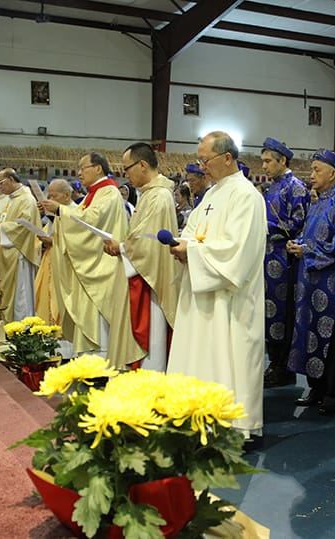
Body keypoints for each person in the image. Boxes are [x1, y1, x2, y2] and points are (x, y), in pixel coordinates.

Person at [168, 131, 267, 442]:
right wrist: (182, 245)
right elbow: (194, 231)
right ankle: (199, 418)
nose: (202, 167)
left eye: (205, 160)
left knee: (232, 356)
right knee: (201, 355)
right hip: (203, 291)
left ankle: (236, 427)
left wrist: (193, 251)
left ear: (227, 158)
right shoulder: (210, 195)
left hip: (231, 298)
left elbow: (238, 251)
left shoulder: (246, 196)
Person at [39, 153, 144, 367]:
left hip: (101, 267)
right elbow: (79, 216)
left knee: (98, 322)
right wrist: (58, 214)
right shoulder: (92, 194)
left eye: (83, 167)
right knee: (89, 317)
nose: (79, 172)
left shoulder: (109, 192)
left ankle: (101, 365)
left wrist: (60, 209)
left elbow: (91, 221)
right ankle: (89, 363)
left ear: (98, 168)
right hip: (90, 266)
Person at [287, 149, 335, 415]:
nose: (312, 174)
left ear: (333, 174)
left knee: (332, 338)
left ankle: (332, 393)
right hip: (310, 282)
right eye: (312, 169)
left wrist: (309, 251)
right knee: (310, 334)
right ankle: (315, 387)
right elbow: (309, 236)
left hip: (332, 285)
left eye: (317, 170)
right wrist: (299, 244)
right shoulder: (316, 203)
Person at [103, 143, 180, 372]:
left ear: (143, 164)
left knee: (152, 339)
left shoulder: (159, 197)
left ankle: (150, 383)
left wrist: (122, 247)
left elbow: (150, 243)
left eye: (127, 168)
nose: (125, 174)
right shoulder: (149, 194)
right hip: (143, 272)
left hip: (151, 280)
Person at [261, 137, 310, 388]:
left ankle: (283, 366)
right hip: (267, 258)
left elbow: (298, 225)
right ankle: (275, 362)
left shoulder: (296, 187)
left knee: (283, 314)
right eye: (263, 161)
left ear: (283, 160)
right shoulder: (271, 188)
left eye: (269, 161)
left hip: (285, 260)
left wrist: (266, 226)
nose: (265, 166)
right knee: (269, 315)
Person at [0, 169, 41, 323]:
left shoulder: (26, 199)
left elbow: (22, 227)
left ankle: (20, 325)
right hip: (10, 251)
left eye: (1, 183)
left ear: (11, 180)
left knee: (21, 292)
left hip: (20, 252)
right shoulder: (14, 199)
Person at [34, 179, 74, 326]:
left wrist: (53, 242)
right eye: (48, 196)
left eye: (54, 196)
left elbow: (77, 240)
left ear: (67, 195)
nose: (50, 200)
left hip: (66, 265)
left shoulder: (75, 212)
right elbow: (49, 232)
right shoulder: (53, 212)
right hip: (50, 259)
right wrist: (42, 242)